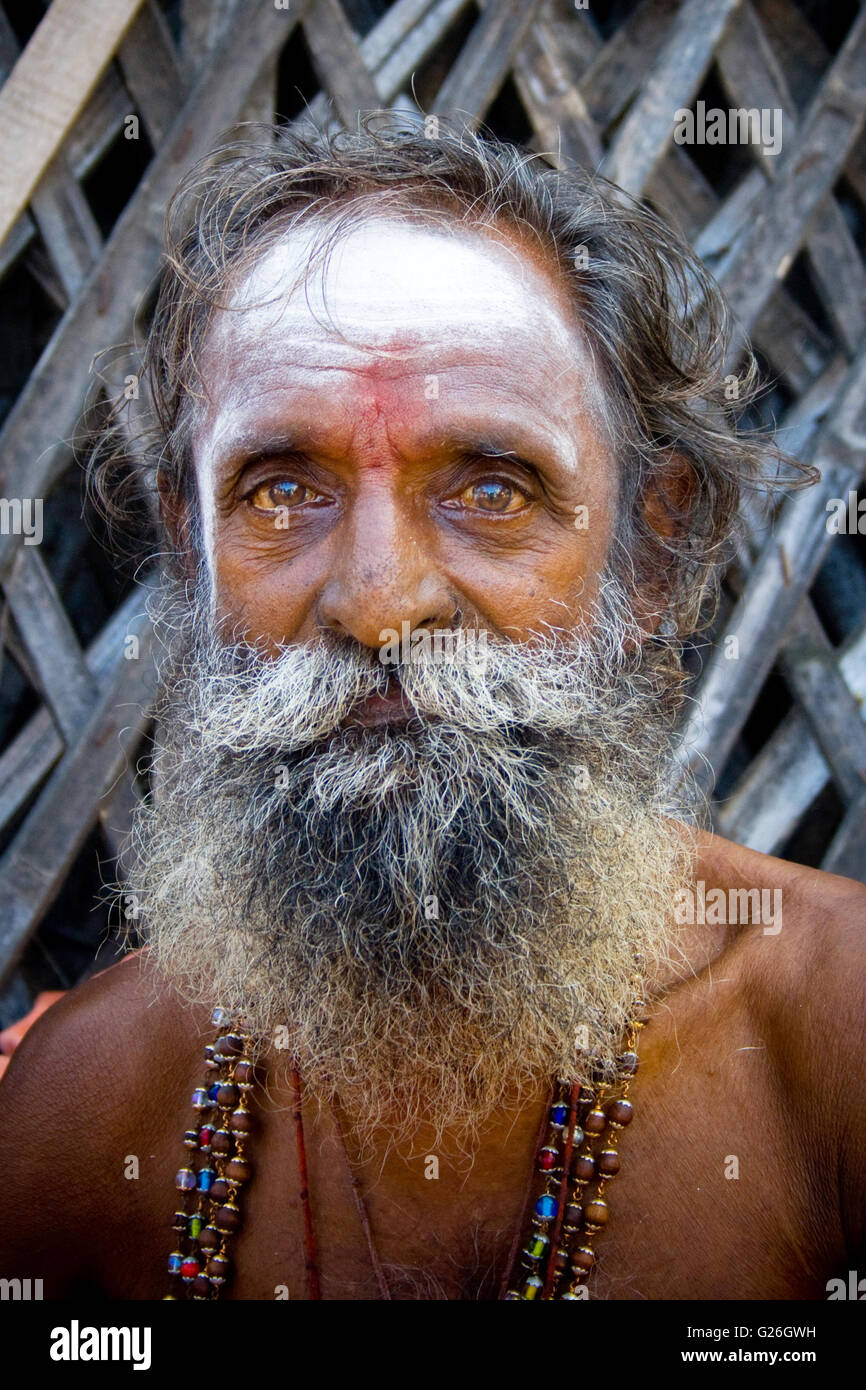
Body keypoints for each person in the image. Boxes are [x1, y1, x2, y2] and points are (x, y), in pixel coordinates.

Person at [1, 116, 863, 1301]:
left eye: (492, 489)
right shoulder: (87, 1105)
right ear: (191, 550)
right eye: (282, 490)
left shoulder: (835, 1038)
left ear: (648, 553)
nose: (378, 602)